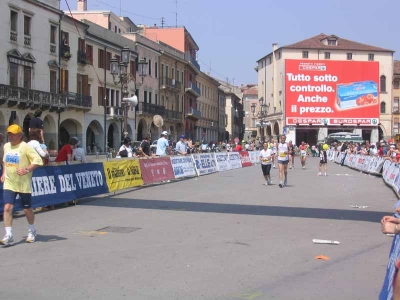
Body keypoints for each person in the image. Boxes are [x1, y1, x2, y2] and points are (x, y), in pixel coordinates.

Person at [0, 124, 43, 245]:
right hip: (10, 182)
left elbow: (38, 161)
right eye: (9, 134)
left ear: (20, 135)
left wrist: (26, 170)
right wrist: (4, 173)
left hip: (23, 183)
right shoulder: (6, 146)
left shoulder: (26, 147)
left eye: (13, 134)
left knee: (26, 209)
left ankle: (32, 229)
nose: (11, 136)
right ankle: (9, 235)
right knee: (7, 207)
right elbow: (5, 161)